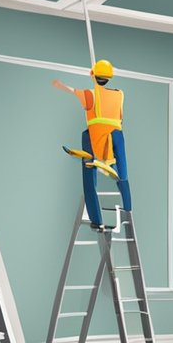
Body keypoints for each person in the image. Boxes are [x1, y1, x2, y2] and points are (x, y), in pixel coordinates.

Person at [51, 59, 131, 230]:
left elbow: (72, 90)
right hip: (116, 137)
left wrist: (59, 85)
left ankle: (97, 219)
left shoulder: (90, 95)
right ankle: (128, 209)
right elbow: (120, 117)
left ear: (92, 74)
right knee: (123, 175)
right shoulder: (119, 94)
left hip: (96, 139)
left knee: (89, 178)